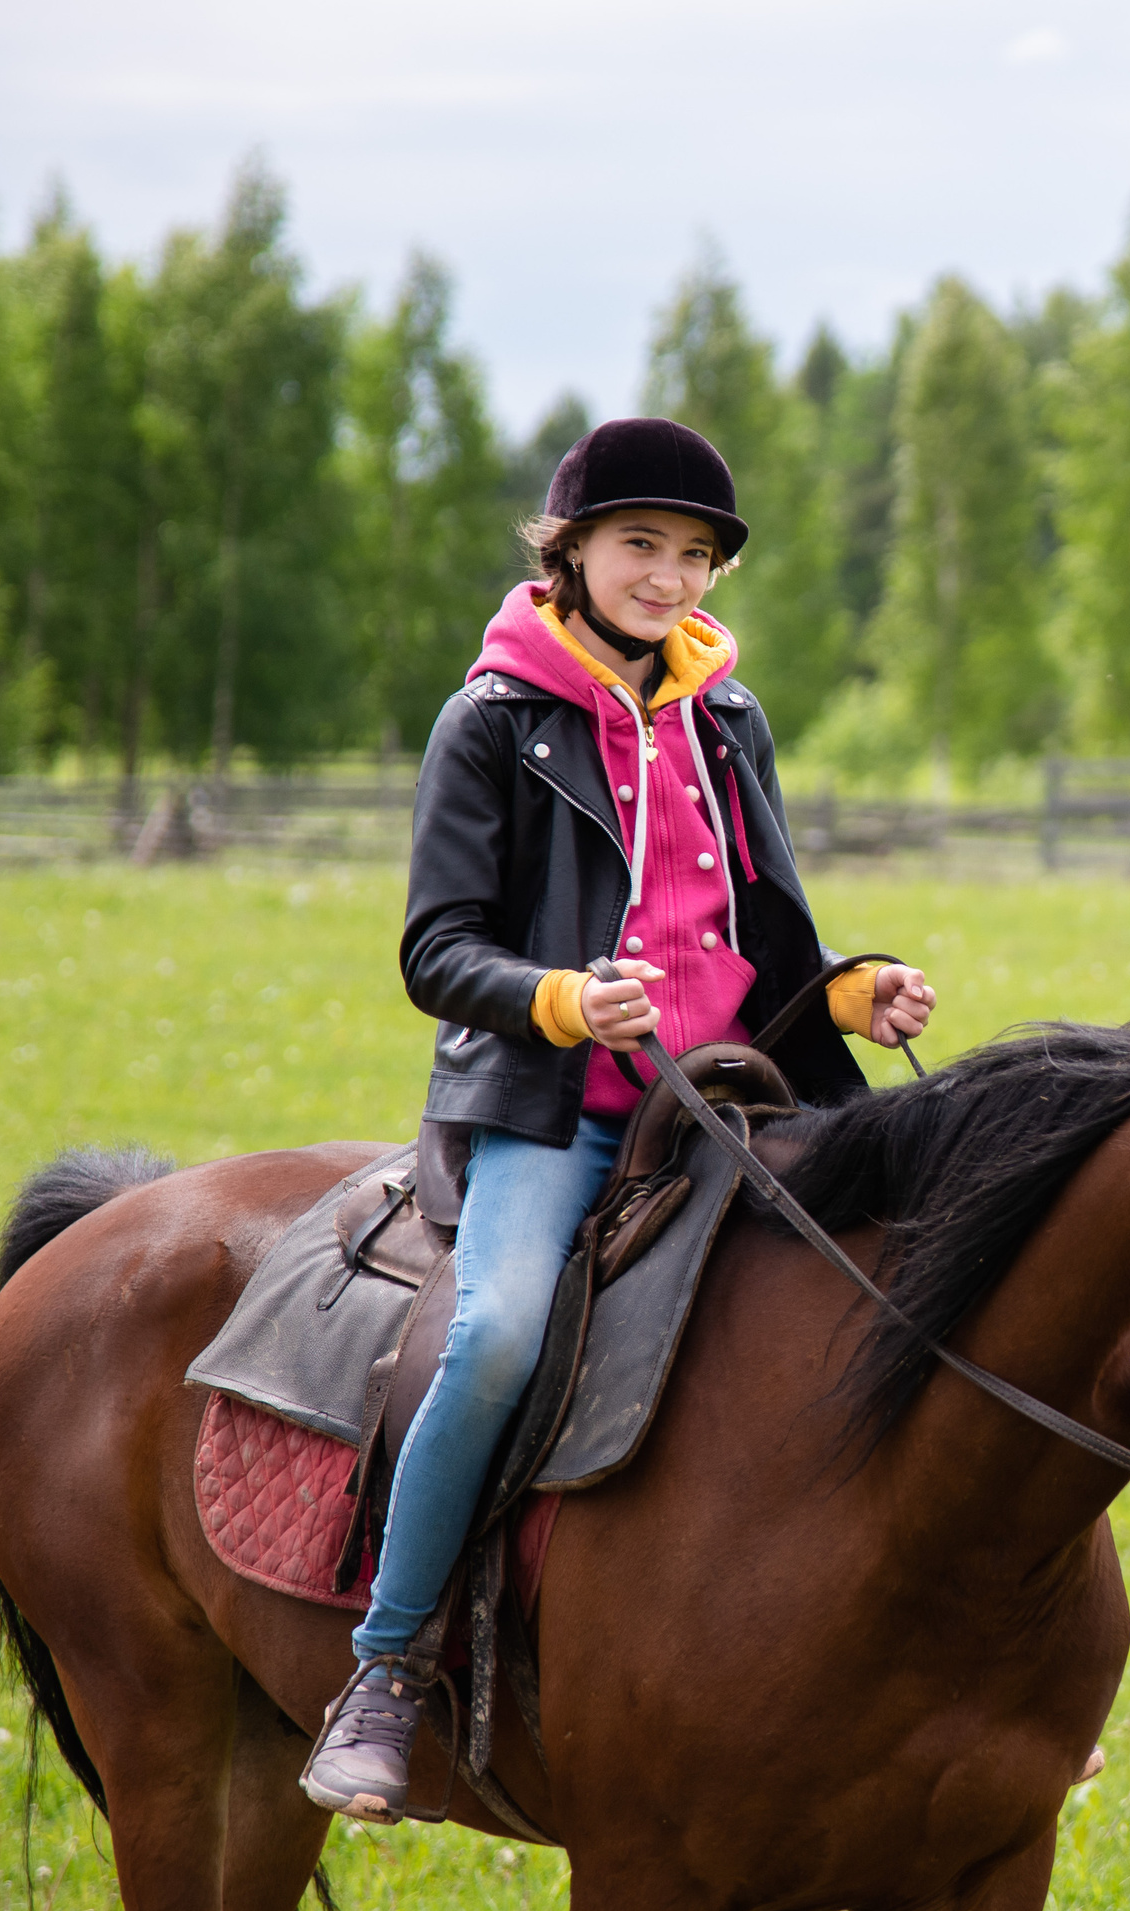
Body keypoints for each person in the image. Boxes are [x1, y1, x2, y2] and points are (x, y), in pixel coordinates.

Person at [300, 417, 934, 1820]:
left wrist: (850, 995)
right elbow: (435, 952)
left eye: (695, 556)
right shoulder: (492, 721)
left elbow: (762, 940)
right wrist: (567, 1002)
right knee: (499, 1332)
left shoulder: (729, 716)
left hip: (730, 1107)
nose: (670, 578)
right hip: (552, 1110)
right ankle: (387, 1670)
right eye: (641, 546)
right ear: (568, 549)